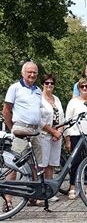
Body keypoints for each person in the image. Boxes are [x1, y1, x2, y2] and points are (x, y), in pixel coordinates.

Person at [2, 61, 42, 211]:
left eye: (35, 73)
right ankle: (8, 201)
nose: (32, 75)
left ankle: (32, 196)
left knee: (35, 165)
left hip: (35, 130)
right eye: (29, 72)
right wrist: (13, 128)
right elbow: (6, 110)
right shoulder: (15, 88)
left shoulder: (38, 90)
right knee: (14, 165)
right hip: (20, 129)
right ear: (22, 73)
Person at [39, 74, 65, 202]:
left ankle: (49, 191)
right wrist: (52, 132)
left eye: (51, 83)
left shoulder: (57, 99)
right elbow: (39, 120)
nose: (49, 85)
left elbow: (62, 117)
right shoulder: (39, 99)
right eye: (46, 83)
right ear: (42, 84)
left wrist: (59, 131)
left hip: (56, 136)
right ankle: (41, 191)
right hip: (44, 135)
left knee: (51, 164)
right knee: (42, 164)